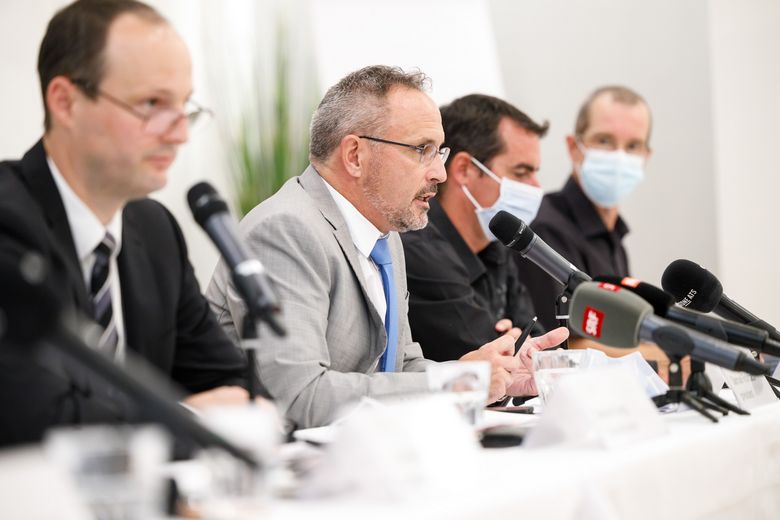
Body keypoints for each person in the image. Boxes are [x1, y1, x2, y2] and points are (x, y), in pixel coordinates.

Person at [207, 66, 569, 430]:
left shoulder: (385, 235)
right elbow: (301, 397)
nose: (439, 175)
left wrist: (483, 376)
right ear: (355, 155)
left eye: (439, 153)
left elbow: (402, 367)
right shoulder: (286, 230)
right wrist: (461, 384)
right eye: (422, 151)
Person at [0, 0, 253, 446]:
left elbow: (235, 385)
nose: (178, 133)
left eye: (184, 107)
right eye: (152, 104)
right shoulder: (7, 219)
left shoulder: (154, 229)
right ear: (66, 101)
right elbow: (31, 421)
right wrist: (182, 416)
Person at [514, 85, 673, 373]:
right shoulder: (545, 230)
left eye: (633, 146)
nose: (619, 156)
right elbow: (558, 344)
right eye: (604, 140)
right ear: (574, 147)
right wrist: (662, 357)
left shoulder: (614, 238)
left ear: (646, 156)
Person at [402, 94, 548, 362]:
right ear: (465, 170)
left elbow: (539, 345)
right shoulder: (418, 250)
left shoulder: (495, 246)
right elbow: (497, 360)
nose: (536, 187)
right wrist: (513, 344)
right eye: (521, 172)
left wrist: (516, 345)